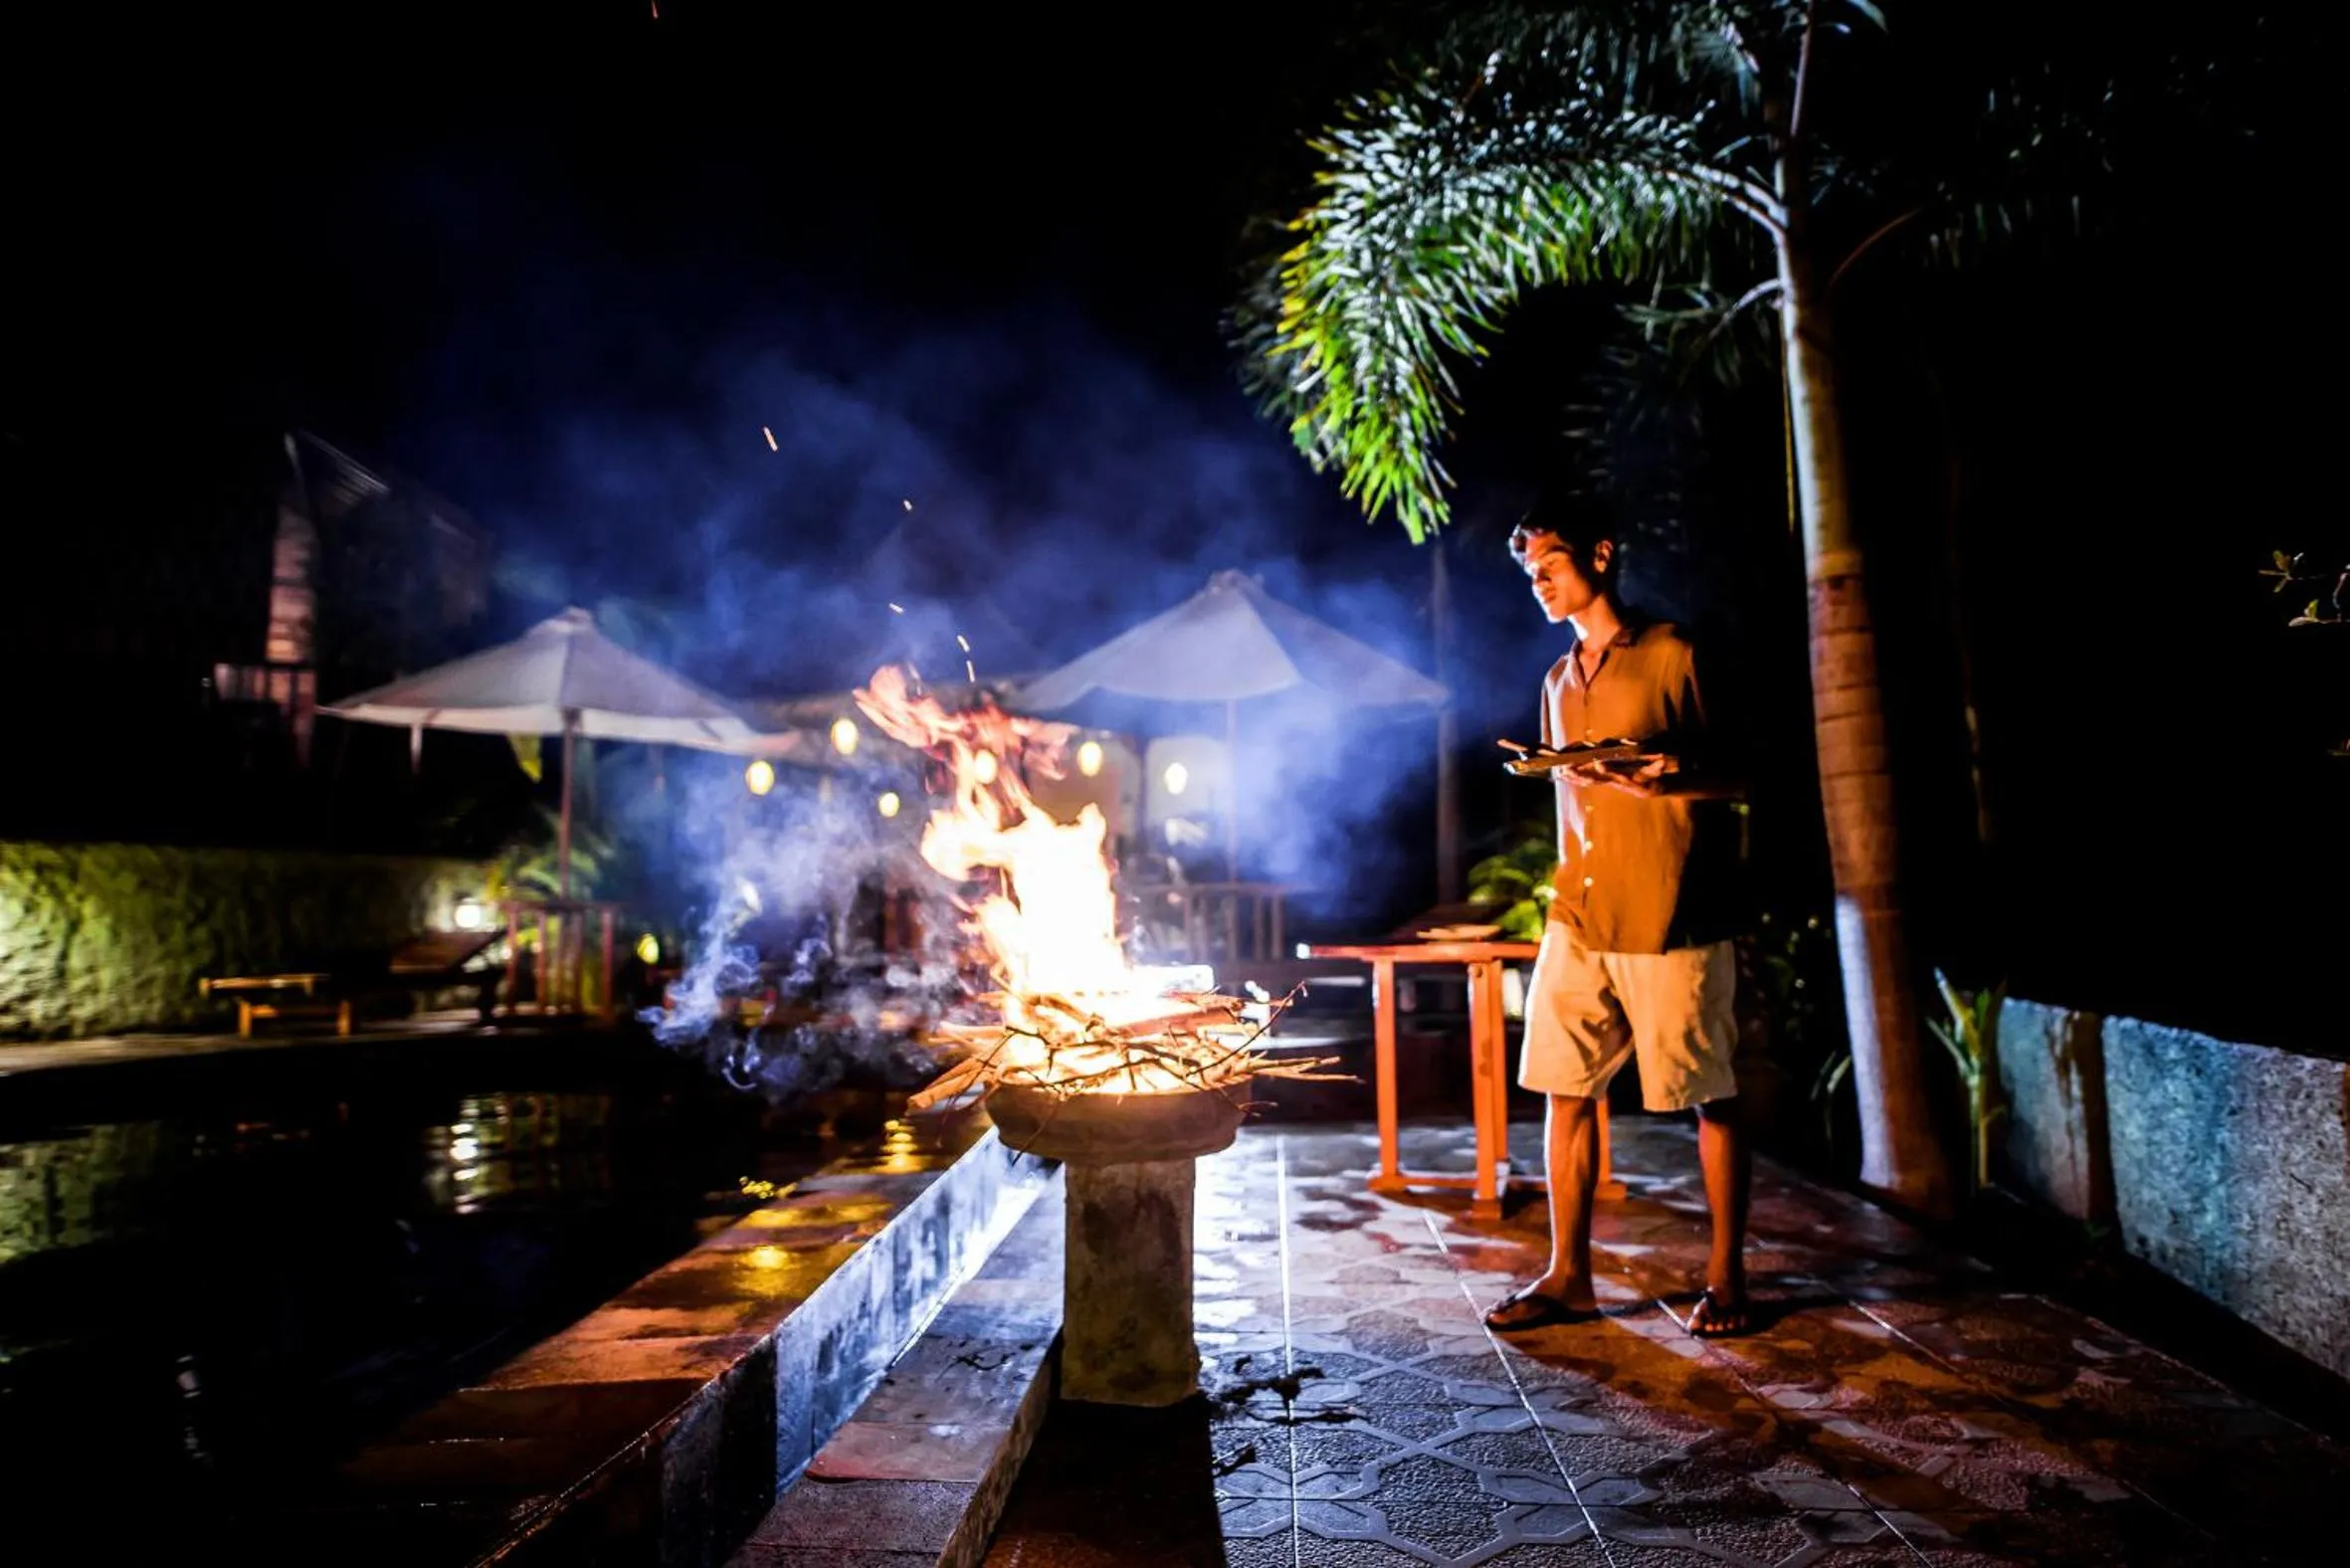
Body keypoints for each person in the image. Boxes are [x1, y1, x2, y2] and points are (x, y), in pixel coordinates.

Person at [1485, 503, 1755, 1337]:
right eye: (1530, 574)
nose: (1540, 584)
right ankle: (1570, 1277)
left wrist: (1670, 779)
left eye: (1552, 566)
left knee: (1709, 1097)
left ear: (1600, 555)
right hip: (1582, 907)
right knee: (1564, 1089)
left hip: (1675, 910)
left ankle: (1727, 1279)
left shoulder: (1676, 652)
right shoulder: (1559, 681)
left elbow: (1749, 770)